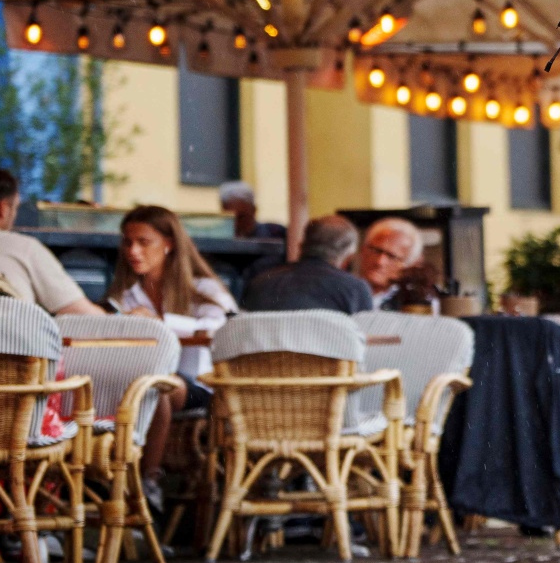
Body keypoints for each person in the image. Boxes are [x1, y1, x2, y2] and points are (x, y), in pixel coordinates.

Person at [105, 206, 238, 490]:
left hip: (203, 387)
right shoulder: (124, 296)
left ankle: (147, 480)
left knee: (156, 387)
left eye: (143, 242)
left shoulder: (204, 289)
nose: (133, 251)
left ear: (169, 243)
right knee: (150, 386)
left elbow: (221, 330)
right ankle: (123, 480)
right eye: (128, 242)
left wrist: (160, 322)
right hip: (143, 382)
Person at [0, 165, 102, 317]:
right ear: (3, 208)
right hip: (10, 338)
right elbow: (79, 311)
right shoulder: (23, 247)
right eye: (16, 207)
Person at [242, 216, 376, 315]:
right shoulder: (354, 289)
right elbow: (367, 342)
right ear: (348, 257)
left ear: (302, 246)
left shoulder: (259, 283)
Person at [353, 217, 425, 309]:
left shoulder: (412, 302)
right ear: (363, 250)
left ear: (408, 265)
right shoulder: (342, 290)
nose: (380, 262)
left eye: (391, 256)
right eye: (377, 251)